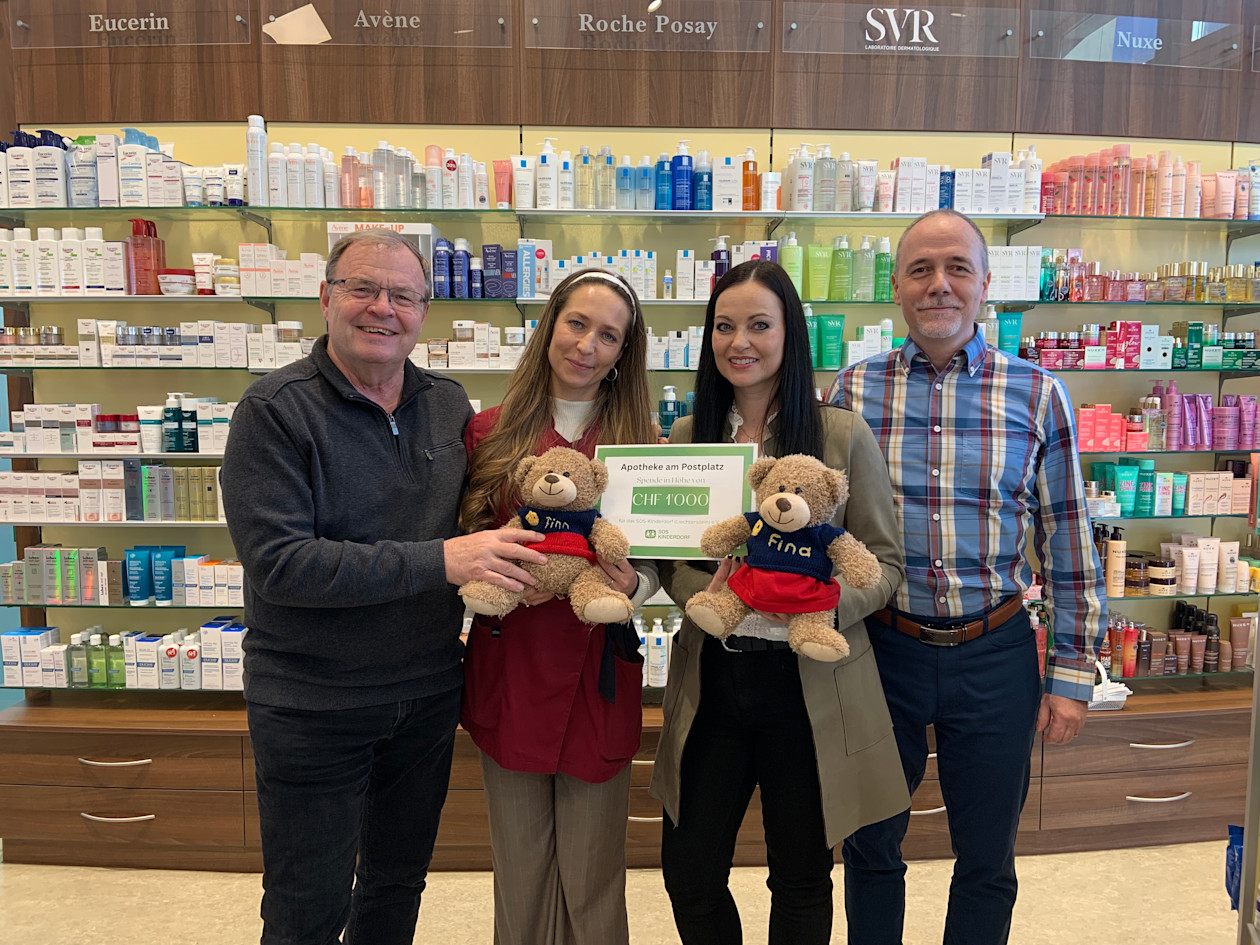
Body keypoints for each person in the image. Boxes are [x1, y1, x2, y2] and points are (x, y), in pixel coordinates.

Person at [221, 228, 548, 945]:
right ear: (326, 298)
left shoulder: (447, 406)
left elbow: (484, 521)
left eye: (402, 294)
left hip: (426, 695)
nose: (382, 308)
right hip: (313, 705)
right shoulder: (274, 412)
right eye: (363, 288)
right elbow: (281, 563)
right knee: (308, 907)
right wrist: (442, 561)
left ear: (423, 309)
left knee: (396, 887)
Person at [829, 209, 1108, 945]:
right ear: (896, 286)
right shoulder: (852, 391)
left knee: (987, 859)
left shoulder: (1038, 393)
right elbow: (820, 527)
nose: (939, 285)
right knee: (869, 846)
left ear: (985, 284)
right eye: (921, 269)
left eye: (957, 268)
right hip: (880, 647)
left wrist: (1071, 674)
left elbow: (1069, 537)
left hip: (997, 649)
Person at [651, 259, 910, 945]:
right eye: (725, 325)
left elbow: (884, 561)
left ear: (789, 334)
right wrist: (706, 594)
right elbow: (669, 557)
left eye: (759, 324)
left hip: (809, 680)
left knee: (799, 876)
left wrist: (820, 609)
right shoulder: (686, 438)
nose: (741, 341)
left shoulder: (840, 435)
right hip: (714, 675)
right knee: (690, 873)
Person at [459, 268, 658, 945]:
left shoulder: (641, 445)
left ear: (623, 354)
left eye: (610, 335)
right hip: (510, 668)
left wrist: (631, 586)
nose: (588, 345)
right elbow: (459, 544)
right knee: (520, 869)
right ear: (550, 327)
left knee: (594, 870)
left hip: (597, 672)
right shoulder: (487, 432)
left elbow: (657, 565)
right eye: (578, 324)